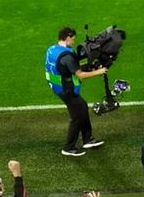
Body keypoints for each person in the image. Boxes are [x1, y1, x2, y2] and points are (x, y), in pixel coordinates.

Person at [45, 26, 107, 157]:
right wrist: (99, 71)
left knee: (82, 106)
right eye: (73, 39)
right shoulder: (67, 56)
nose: (74, 41)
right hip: (67, 90)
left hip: (58, 87)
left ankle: (87, 139)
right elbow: (80, 75)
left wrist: (90, 66)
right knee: (76, 117)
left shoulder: (52, 49)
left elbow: (66, 67)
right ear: (67, 37)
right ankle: (68, 147)